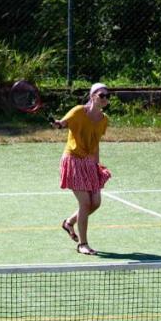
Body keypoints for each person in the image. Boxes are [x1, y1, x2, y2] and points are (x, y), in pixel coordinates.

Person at [54, 82, 112, 256]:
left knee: (95, 203)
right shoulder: (79, 111)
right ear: (93, 96)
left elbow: (95, 144)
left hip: (89, 162)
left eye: (107, 96)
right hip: (72, 160)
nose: (105, 99)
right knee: (85, 203)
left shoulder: (104, 120)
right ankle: (82, 244)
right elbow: (62, 123)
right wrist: (58, 124)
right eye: (102, 95)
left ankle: (69, 222)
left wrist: (96, 165)